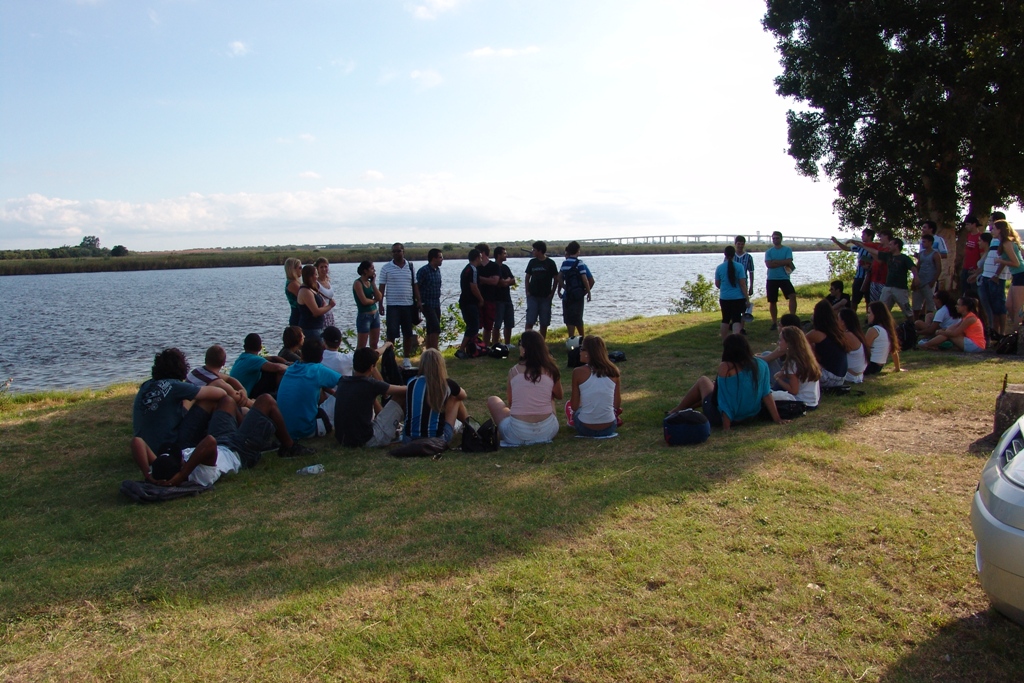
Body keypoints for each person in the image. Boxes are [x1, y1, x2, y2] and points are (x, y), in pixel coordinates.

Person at [132, 386, 312, 483]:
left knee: (226, 400)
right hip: (239, 451)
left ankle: (250, 430)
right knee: (266, 400)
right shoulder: (200, 475)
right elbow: (209, 442)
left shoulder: (161, 469)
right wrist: (182, 475)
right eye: (179, 459)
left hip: (223, 440)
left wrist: (148, 474)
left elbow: (137, 441)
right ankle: (289, 447)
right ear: (180, 466)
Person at [668, 334, 785, 430]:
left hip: (723, 417)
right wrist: (777, 419)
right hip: (749, 416)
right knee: (711, 387)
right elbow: (766, 394)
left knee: (703, 381)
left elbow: (725, 400)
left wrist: (726, 427)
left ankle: (677, 410)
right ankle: (684, 409)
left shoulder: (727, 367)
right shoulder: (761, 364)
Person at [133, 348, 226, 454]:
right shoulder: (174, 385)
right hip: (168, 447)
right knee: (208, 401)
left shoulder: (146, 385)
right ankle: (220, 440)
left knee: (191, 399)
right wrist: (213, 383)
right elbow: (220, 393)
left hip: (144, 449)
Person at [487, 329, 563, 445]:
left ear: (524, 349)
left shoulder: (514, 371)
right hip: (548, 431)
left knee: (493, 400)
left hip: (518, 433)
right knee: (550, 396)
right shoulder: (551, 370)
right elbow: (559, 395)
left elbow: (511, 402)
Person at [334, 347, 407, 448]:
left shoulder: (343, 381)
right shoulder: (370, 384)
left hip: (343, 439)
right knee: (401, 396)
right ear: (372, 367)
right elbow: (403, 390)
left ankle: (396, 428)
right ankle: (411, 430)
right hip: (366, 440)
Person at [276, 336, 343, 441]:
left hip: (284, 430)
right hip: (306, 430)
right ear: (321, 358)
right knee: (345, 391)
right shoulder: (317, 370)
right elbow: (347, 383)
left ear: (301, 355)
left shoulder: (291, 369)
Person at [404, 348, 468, 443]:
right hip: (437, 440)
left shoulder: (411, 382)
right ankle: (469, 426)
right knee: (455, 398)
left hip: (409, 439)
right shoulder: (446, 384)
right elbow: (463, 395)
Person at [567, 335, 621, 437]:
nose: (579, 352)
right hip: (609, 427)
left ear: (588, 353)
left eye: (581, 349)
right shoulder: (614, 371)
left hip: (585, 428)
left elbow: (574, 406)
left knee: (575, 411)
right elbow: (617, 405)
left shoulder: (578, 372)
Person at [378, 242, 421, 365]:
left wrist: (418, 300)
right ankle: (390, 359)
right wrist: (380, 304)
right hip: (393, 306)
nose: (396, 253)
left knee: (407, 333)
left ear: (403, 251)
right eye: (394, 251)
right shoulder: (386, 268)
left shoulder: (410, 267)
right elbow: (382, 287)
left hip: (408, 305)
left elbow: (415, 285)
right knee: (391, 334)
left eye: (398, 251)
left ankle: (406, 359)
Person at [856, 237, 917, 320]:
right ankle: (882, 324)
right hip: (887, 287)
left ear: (896, 245)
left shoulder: (904, 258)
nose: (889, 246)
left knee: (907, 310)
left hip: (900, 288)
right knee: (882, 308)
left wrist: (916, 278)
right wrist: (863, 246)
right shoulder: (888, 256)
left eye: (891, 244)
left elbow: (913, 268)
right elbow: (875, 252)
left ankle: (912, 324)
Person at [186, 344, 253, 413]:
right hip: (196, 414)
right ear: (223, 363)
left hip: (186, 410)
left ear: (205, 360)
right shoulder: (217, 383)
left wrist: (242, 389)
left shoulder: (196, 371)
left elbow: (228, 378)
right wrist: (253, 401)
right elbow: (241, 400)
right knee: (244, 410)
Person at [770, 326, 821, 409]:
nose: (778, 342)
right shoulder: (807, 358)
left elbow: (794, 391)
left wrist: (777, 379)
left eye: (780, 340)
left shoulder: (792, 362)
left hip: (800, 403)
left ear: (789, 343)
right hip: (812, 403)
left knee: (767, 396)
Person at [229, 333, 289, 397]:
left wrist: (286, 362)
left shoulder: (242, 358)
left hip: (235, 393)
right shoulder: (254, 360)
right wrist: (292, 368)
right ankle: (280, 394)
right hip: (245, 395)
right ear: (260, 348)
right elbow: (279, 368)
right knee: (274, 369)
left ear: (244, 347)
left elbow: (271, 358)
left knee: (272, 362)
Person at [805, 299, 849, 388]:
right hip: (840, 378)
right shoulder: (836, 332)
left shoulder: (816, 334)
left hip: (829, 379)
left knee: (803, 348)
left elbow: (799, 342)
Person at [557, 241, 594, 339]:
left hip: (568, 294)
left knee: (569, 318)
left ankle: (571, 338)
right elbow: (585, 279)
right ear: (578, 251)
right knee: (578, 317)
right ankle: (582, 338)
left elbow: (559, 277)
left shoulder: (565, 263)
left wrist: (563, 287)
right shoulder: (580, 263)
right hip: (578, 295)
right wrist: (588, 292)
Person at [975, 230, 1008, 339]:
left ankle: (1001, 333)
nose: (991, 228)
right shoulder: (994, 241)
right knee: (989, 306)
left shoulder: (1004, 241)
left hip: (995, 278)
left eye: (993, 226)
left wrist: (997, 275)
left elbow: (1004, 258)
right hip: (986, 277)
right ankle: (993, 331)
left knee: (999, 306)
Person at [921, 297, 986, 352]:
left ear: (964, 307)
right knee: (949, 332)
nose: (956, 306)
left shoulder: (970, 319)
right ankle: (930, 345)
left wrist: (941, 332)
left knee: (949, 334)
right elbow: (953, 327)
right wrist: (943, 330)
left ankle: (927, 344)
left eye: (958, 305)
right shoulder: (966, 317)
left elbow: (955, 333)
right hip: (973, 343)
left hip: (976, 345)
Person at [831, 228, 875, 311]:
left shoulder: (874, 248)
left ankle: (869, 316)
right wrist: (836, 242)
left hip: (869, 278)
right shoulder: (860, 247)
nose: (862, 236)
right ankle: (852, 316)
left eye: (864, 235)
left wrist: (870, 266)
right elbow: (846, 248)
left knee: (869, 300)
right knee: (854, 300)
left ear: (870, 236)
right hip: (858, 277)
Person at [992, 220, 1024, 331]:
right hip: (1016, 275)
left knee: (1017, 308)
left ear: (999, 230)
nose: (992, 231)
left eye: (994, 229)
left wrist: (999, 260)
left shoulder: (1007, 243)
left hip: (1021, 274)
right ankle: (1019, 329)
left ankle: (1017, 334)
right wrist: (996, 274)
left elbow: (1016, 263)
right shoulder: (1003, 243)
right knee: (1009, 306)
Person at [524, 240, 559, 339]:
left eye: (534, 250)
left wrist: (552, 293)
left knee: (544, 321)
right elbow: (527, 277)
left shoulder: (550, 263)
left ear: (540, 251)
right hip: (533, 296)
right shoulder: (532, 262)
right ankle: (526, 340)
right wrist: (527, 292)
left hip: (545, 297)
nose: (532, 251)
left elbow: (556, 279)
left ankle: (542, 341)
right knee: (530, 320)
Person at [319, 325, 355, 420]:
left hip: (324, 402)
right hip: (344, 400)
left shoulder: (318, 358)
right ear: (340, 342)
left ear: (324, 342)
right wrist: (385, 345)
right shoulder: (347, 359)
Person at [455, 249, 485, 360]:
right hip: (470, 302)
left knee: (471, 325)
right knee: (473, 326)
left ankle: (471, 349)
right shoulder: (473, 269)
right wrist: (481, 299)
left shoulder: (466, 269)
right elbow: (474, 287)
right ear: (476, 258)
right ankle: (461, 349)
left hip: (464, 301)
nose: (481, 259)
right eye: (480, 257)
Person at [764, 231, 797, 330]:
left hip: (784, 278)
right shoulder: (769, 252)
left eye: (777, 238)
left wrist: (776, 262)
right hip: (771, 278)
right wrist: (782, 262)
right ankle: (774, 322)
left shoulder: (787, 249)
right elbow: (769, 265)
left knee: (792, 296)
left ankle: (793, 319)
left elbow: (789, 261)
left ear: (781, 239)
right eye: (773, 238)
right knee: (772, 301)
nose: (775, 240)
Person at [715, 245, 748, 339]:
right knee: (736, 319)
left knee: (725, 319)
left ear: (724, 254)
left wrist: (725, 288)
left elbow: (717, 284)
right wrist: (747, 298)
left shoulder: (719, 267)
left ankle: (724, 340)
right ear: (734, 254)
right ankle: (735, 340)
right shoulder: (739, 267)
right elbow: (742, 284)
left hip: (724, 297)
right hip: (738, 298)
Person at [296, 264, 335, 342]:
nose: (317, 277)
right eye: (316, 274)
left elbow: (322, 302)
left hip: (318, 326)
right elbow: (316, 312)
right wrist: (330, 306)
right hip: (311, 328)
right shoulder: (305, 291)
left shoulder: (312, 289)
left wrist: (324, 306)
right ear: (310, 276)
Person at [416, 248, 444, 351]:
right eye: (440, 257)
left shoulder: (437, 270)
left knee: (431, 328)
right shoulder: (424, 271)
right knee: (435, 327)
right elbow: (416, 286)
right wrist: (419, 301)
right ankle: (435, 351)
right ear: (433, 258)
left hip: (436, 303)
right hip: (426, 303)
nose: (442, 259)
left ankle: (429, 351)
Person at [864, 301, 902, 374]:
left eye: (869, 313)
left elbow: (864, 350)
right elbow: (894, 351)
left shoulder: (873, 330)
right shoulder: (888, 329)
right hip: (879, 367)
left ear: (876, 314)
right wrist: (897, 368)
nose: (867, 315)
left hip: (870, 365)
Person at [352, 260, 383, 350]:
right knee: (361, 346)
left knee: (374, 343)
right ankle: (358, 359)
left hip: (375, 315)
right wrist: (374, 301)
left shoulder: (369, 283)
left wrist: (373, 283)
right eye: (372, 269)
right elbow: (364, 301)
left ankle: (373, 359)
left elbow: (379, 296)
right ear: (365, 270)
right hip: (364, 316)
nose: (374, 271)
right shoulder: (358, 283)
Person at [490, 246, 517, 346]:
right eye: (504, 253)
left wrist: (506, 281)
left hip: (507, 299)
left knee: (509, 323)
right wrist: (506, 281)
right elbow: (500, 283)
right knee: (497, 324)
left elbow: (513, 280)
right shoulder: (493, 267)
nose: (506, 255)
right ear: (498, 255)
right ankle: (495, 344)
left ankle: (507, 343)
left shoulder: (505, 267)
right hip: (498, 299)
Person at [476, 244, 501, 342]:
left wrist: (480, 279)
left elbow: (495, 281)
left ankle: (485, 346)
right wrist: (488, 279)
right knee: (475, 325)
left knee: (488, 326)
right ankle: (474, 345)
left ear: (482, 253)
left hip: (490, 299)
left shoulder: (494, 266)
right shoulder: (475, 267)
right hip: (477, 299)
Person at [913, 234, 941, 318]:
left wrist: (933, 281)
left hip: (929, 282)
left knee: (930, 303)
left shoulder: (935, 254)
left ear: (930, 242)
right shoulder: (921, 254)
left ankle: (929, 320)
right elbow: (918, 267)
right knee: (916, 303)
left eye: (924, 242)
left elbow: (939, 269)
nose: (923, 243)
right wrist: (915, 279)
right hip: (920, 281)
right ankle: (915, 320)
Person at [837, 308, 868, 383]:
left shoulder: (847, 335)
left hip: (850, 376)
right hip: (858, 376)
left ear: (843, 322)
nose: (836, 322)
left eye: (837, 319)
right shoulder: (856, 334)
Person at [961, 215, 984, 299]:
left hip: (974, 269)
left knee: (974, 293)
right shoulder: (969, 235)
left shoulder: (980, 237)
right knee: (964, 291)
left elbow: (982, 255)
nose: (966, 226)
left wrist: (977, 270)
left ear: (974, 224)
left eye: (968, 224)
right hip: (965, 268)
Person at [734, 236, 756, 323]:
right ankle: (735, 323)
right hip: (733, 285)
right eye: (738, 244)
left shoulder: (748, 257)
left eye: (742, 244)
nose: (740, 246)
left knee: (744, 306)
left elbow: (751, 272)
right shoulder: (731, 256)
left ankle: (742, 326)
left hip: (743, 284)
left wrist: (751, 286)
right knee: (734, 306)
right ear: (735, 244)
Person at [314, 257, 336, 330]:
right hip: (322, 314)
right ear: (317, 269)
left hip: (330, 313)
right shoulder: (316, 283)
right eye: (321, 267)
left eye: (325, 267)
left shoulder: (328, 281)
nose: (324, 269)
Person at [284, 258, 302, 327]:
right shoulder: (293, 284)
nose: (302, 270)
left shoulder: (295, 282)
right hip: (298, 317)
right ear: (293, 269)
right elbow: (306, 298)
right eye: (300, 268)